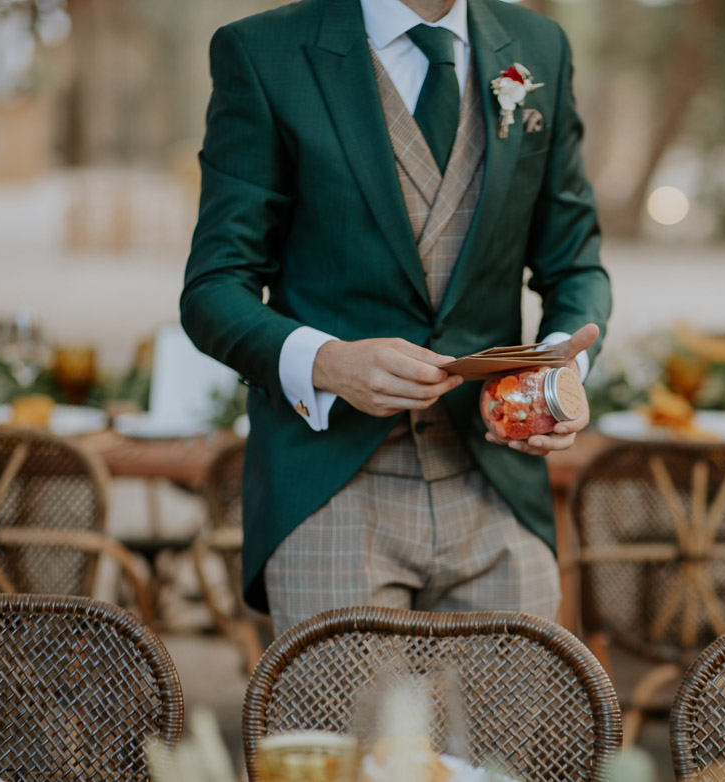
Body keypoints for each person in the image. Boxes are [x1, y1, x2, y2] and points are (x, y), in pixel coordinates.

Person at [181, 0, 611, 634]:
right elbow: (214, 288)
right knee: (343, 735)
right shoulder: (263, 52)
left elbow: (576, 267)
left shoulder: (538, 46)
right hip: (331, 490)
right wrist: (328, 363)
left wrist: (554, 372)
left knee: (514, 735)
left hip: (497, 487)